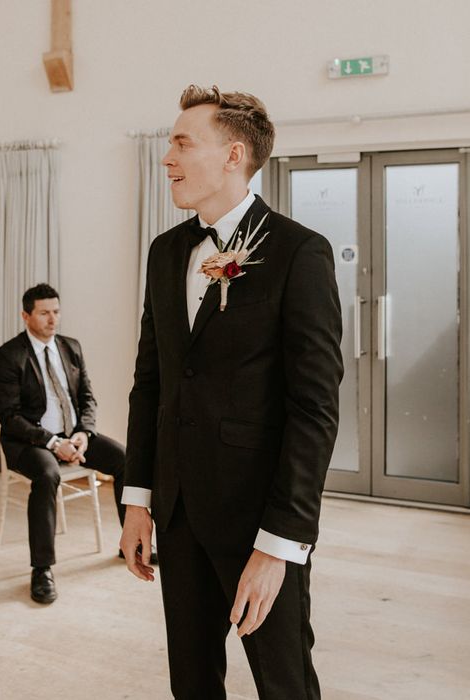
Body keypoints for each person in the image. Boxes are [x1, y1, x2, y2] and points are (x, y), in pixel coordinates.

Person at [120, 85, 343, 699]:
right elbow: (152, 383)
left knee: (284, 683)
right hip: (177, 511)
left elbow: (314, 410)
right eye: (168, 143)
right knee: (190, 682)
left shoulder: (300, 253)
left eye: (181, 143)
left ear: (233, 155)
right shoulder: (167, 253)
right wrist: (137, 499)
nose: (166, 157)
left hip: (258, 521)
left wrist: (280, 546)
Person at [0, 283, 129, 605]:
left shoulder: (71, 347)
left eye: (56, 311)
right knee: (47, 475)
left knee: (125, 459)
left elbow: (87, 398)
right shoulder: (10, 355)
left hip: (73, 435)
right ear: (26, 316)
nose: (53, 319)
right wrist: (54, 443)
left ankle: (129, 544)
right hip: (29, 442)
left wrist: (84, 433)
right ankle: (42, 569)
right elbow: (9, 418)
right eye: (44, 313)